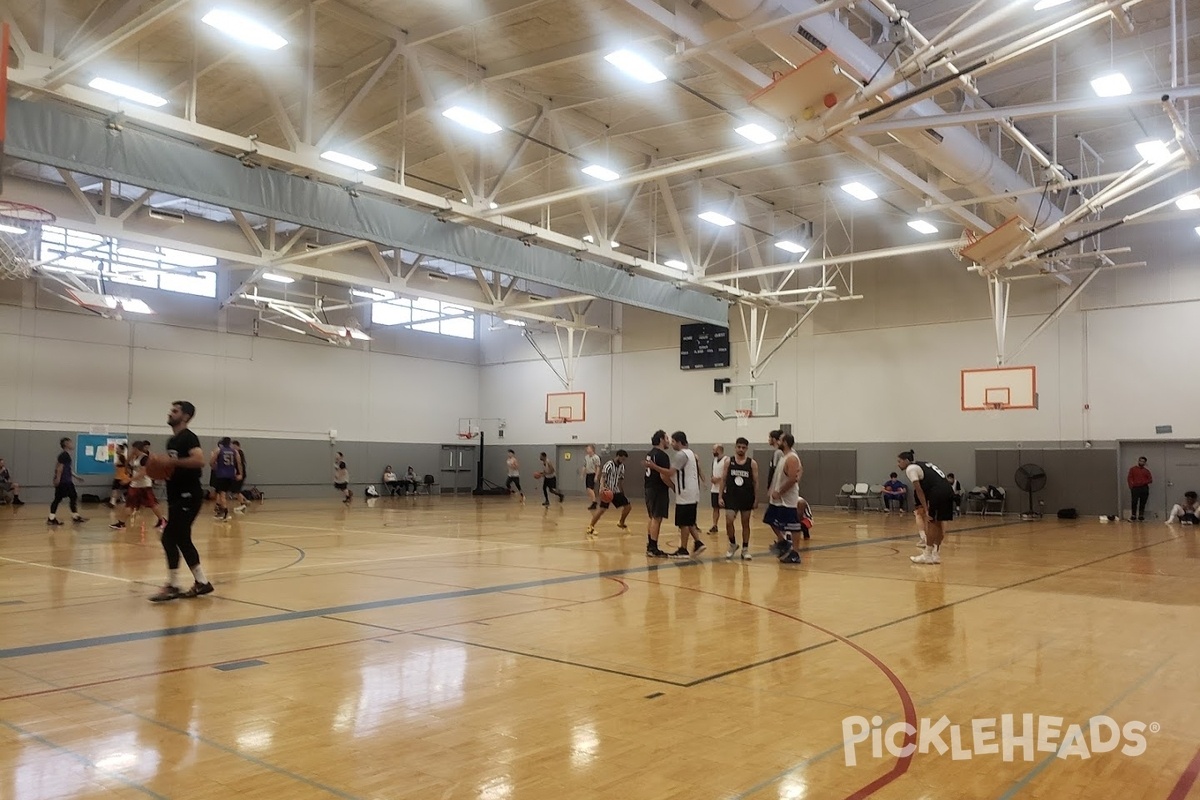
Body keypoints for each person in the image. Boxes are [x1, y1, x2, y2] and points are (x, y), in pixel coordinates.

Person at [150, 401, 213, 601]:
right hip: (175, 495)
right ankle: (202, 582)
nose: (170, 413)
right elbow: (173, 467)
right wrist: (159, 469)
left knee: (169, 537)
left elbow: (199, 460)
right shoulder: (172, 441)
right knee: (182, 539)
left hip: (189, 495)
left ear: (185, 416)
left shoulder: (188, 437)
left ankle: (174, 585)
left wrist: (172, 462)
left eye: (175, 411)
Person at [898, 450, 955, 565]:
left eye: (899, 461)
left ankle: (927, 554)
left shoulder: (911, 469)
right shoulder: (924, 464)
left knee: (931, 522)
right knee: (939, 523)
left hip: (937, 492)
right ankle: (936, 554)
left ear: (906, 461)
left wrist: (926, 508)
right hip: (948, 491)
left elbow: (919, 490)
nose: (898, 464)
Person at [660, 431, 705, 558]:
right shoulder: (691, 453)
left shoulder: (681, 455)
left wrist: (654, 466)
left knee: (683, 523)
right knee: (689, 521)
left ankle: (683, 550)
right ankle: (698, 542)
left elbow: (670, 473)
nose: (672, 444)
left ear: (679, 442)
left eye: (673, 441)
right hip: (692, 492)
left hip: (685, 493)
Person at [765, 434, 803, 563]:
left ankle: (795, 553)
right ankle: (783, 542)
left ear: (785, 442)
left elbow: (793, 479)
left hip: (787, 499)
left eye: (780, 440)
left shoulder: (792, 458)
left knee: (793, 526)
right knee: (770, 519)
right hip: (777, 498)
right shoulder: (783, 456)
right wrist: (772, 489)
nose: (777, 442)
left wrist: (780, 492)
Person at [115, 441, 166, 532]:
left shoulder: (144, 459)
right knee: (130, 504)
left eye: (133, 448)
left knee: (152, 504)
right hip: (135, 485)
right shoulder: (136, 457)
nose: (131, 450)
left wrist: (129, 480)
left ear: (136, 448)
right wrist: (127, 469)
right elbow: (128, 463)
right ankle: (121, 523)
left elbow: (143, 473)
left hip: (144, 486)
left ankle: (162, 520)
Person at [721, 437, 758, 560]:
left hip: (746, 496)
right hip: (731, 496)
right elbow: (723, 479)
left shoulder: (751, 463)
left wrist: (756, 498)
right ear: (735, 447)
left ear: (746, 448)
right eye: (739, 447)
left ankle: (745, 549)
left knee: (745, 523)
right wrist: (720, 496)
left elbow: (756, 482)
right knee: (729, 520)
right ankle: (732, 544)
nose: (741, 449)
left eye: (743, 447)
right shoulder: (728, 462)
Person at [643, 430, 673, 558]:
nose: (668, 441)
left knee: (652, 518)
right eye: (666, 438)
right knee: (657, 518)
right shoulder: (662, 456)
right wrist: (674, 487)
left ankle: (650, 544)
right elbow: (664, 475)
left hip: (648, 488)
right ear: (661, 439)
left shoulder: (650, 454)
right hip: (658, 489)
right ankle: (653, 548)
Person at [586, 450, 630, 535]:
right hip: (607, 491)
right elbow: (603, 476)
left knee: (628, 507)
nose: (622, 461)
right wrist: (602, 488)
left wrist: (622, 492)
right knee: (602, 509)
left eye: (624, 459)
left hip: (616, 490)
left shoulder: (622, 466)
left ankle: (621, 522)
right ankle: (591, 526)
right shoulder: (609, 465)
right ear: (618, 456)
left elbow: (620, 480)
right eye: (622, 459)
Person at [47, 437, 86, 526]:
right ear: (66, 444)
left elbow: (67, 469)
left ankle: (75, 516)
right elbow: (59, 468)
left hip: (67, 481)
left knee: (73, 496)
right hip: (64, 482)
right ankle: (51, 518)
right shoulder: (64, 455)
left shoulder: (66, 456)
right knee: (57, 499)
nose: (72, 444)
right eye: (70, 443)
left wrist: (76, 477)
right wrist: (57, 479)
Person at [210, 437, 239, 521]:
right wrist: (239, 473)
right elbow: (238, 462)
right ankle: (221, 510)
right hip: (230, 475)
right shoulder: (234, 451)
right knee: (223, 494)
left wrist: (215, 467)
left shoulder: (219, 451)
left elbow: (211, 462)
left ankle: (224, 512)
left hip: (221, 474)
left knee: (221, 494)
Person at [709, 444, 728, 534]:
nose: (712, 452)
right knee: (715, 508)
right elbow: (713, 472)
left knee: (727, 509)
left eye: (714, 450)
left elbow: (727, 475)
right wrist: (712, 478)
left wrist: (719, 479)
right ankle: (714, 525)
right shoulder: (714, 460)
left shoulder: (726, 460)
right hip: (714, 489)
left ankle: (729, 526)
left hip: (724, 489)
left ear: (719, 450)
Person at [1127, 456, 1152, 521]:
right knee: (1134, 502)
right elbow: (1129, 478)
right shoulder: (1133, 469)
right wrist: (1131, 486)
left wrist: (1143, 482)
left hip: (1144, 488)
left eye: (1143, 461)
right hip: (1135, 488)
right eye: (1140, 461)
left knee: (1143, 502)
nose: (1141, 462)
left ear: (1145, 463)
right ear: (1138, 461)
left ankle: (1141, 515)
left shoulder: (1146, 471)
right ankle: (1133, 515)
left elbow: (1150, 480)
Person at [107, 443, 130, 508]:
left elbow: (126, 466)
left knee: (115, 489)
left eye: (118, 449)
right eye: (116, 449)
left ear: (121, 450)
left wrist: (128, 474)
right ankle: (117, 501)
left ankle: (113, 502)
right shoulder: (120, 457)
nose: (116, 450)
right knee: (116, 489)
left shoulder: (121, 457)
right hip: (119, 476)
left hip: (121, 477)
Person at [231, 441, 248, 513]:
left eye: (234, 446)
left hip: (240, 474)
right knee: (235, 490)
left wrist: (240, 474)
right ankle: (244, 501)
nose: (233, 447)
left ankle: (243, 504)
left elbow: (239, 464)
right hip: (238, 474)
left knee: (236, 490)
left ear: (238, 446)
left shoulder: (239, 453)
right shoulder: (236, 453)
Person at [583, 445, 602, 510]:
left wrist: (596, 476)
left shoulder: (596, 457)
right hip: (588, 474)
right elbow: (585, 466)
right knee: (589, 489)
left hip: (593, 474)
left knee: (589, 488)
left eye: (588, 448)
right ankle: (593, 502)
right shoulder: (586, 457)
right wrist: (582, 473)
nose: (587, 450)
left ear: (592, 449)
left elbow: (598, 467)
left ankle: (594, 502)